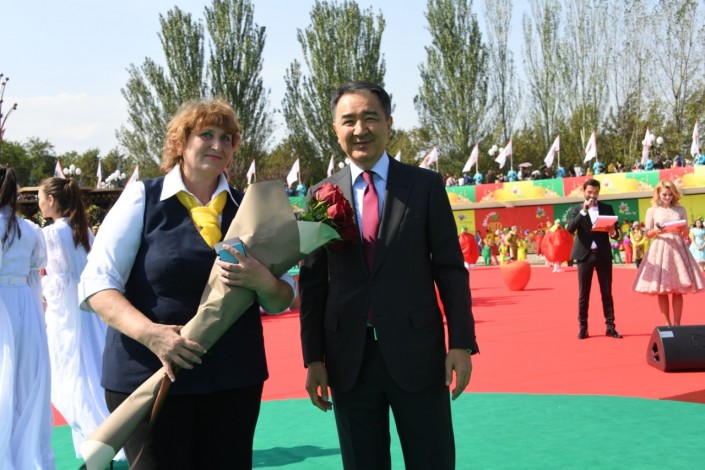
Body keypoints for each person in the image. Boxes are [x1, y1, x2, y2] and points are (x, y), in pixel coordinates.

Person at [78, 99, 295, 468]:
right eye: (205, 135)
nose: (218, 145)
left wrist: (263, 281)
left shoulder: (252, 207)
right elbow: (97, 286)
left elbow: (281, 299)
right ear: (180, 142)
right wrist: (152, 334)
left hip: (233, 380)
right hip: (150, 377)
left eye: (227, 138)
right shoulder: (141, 198)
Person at [298, 81, 478, 469]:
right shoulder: (319, 195)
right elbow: (313, 284)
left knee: (432, 460)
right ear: (335, 128)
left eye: (370, 118)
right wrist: (313, 358)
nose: (359, 129)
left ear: (389, 123)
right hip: (348, 360)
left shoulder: (425, 186)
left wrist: (462, 343)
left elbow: (449, 269)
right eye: (348, 120)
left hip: (418, 355)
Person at [38, 177, 123, 461]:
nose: (39, 203)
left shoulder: (52, 234)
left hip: (67, 315)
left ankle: (93, 436)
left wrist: (42, 297)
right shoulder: (82, 230)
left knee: (70, 374)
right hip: (89, 309)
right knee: (92, 370)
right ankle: (106, 435)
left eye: (40, 197)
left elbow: (56, 280)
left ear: (51, 200)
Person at [0, 165, 54, 469]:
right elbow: (37, 267)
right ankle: (24, 452)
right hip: (24, 303)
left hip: (5, 304)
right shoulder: (30, 229)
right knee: (24, 378)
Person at [632, 181, 705, 326]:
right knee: (662, 289)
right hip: (660, 247)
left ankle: (677, 324)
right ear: (658, 194)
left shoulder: (680, 209)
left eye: (670, 194)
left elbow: (686, 233)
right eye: (664, 194)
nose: (667, 197)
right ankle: (667, 324)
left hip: (678, 248)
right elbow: (647, 234)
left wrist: (683, 229)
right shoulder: (652, 210)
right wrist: (656, 231)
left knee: (678, 290)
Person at [565, 179, 622, 339]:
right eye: (589, 192)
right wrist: (584, 210)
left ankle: (610, 327)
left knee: (607, 292)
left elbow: (616, 235)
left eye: (596, 192)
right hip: (584, 255)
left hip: (603, 255)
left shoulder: (607, 208)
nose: (592, 195)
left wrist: (612, 231)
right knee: (584, 293)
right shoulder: (577, 209)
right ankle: (583, 328)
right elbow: (570, 229)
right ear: (584, 192)